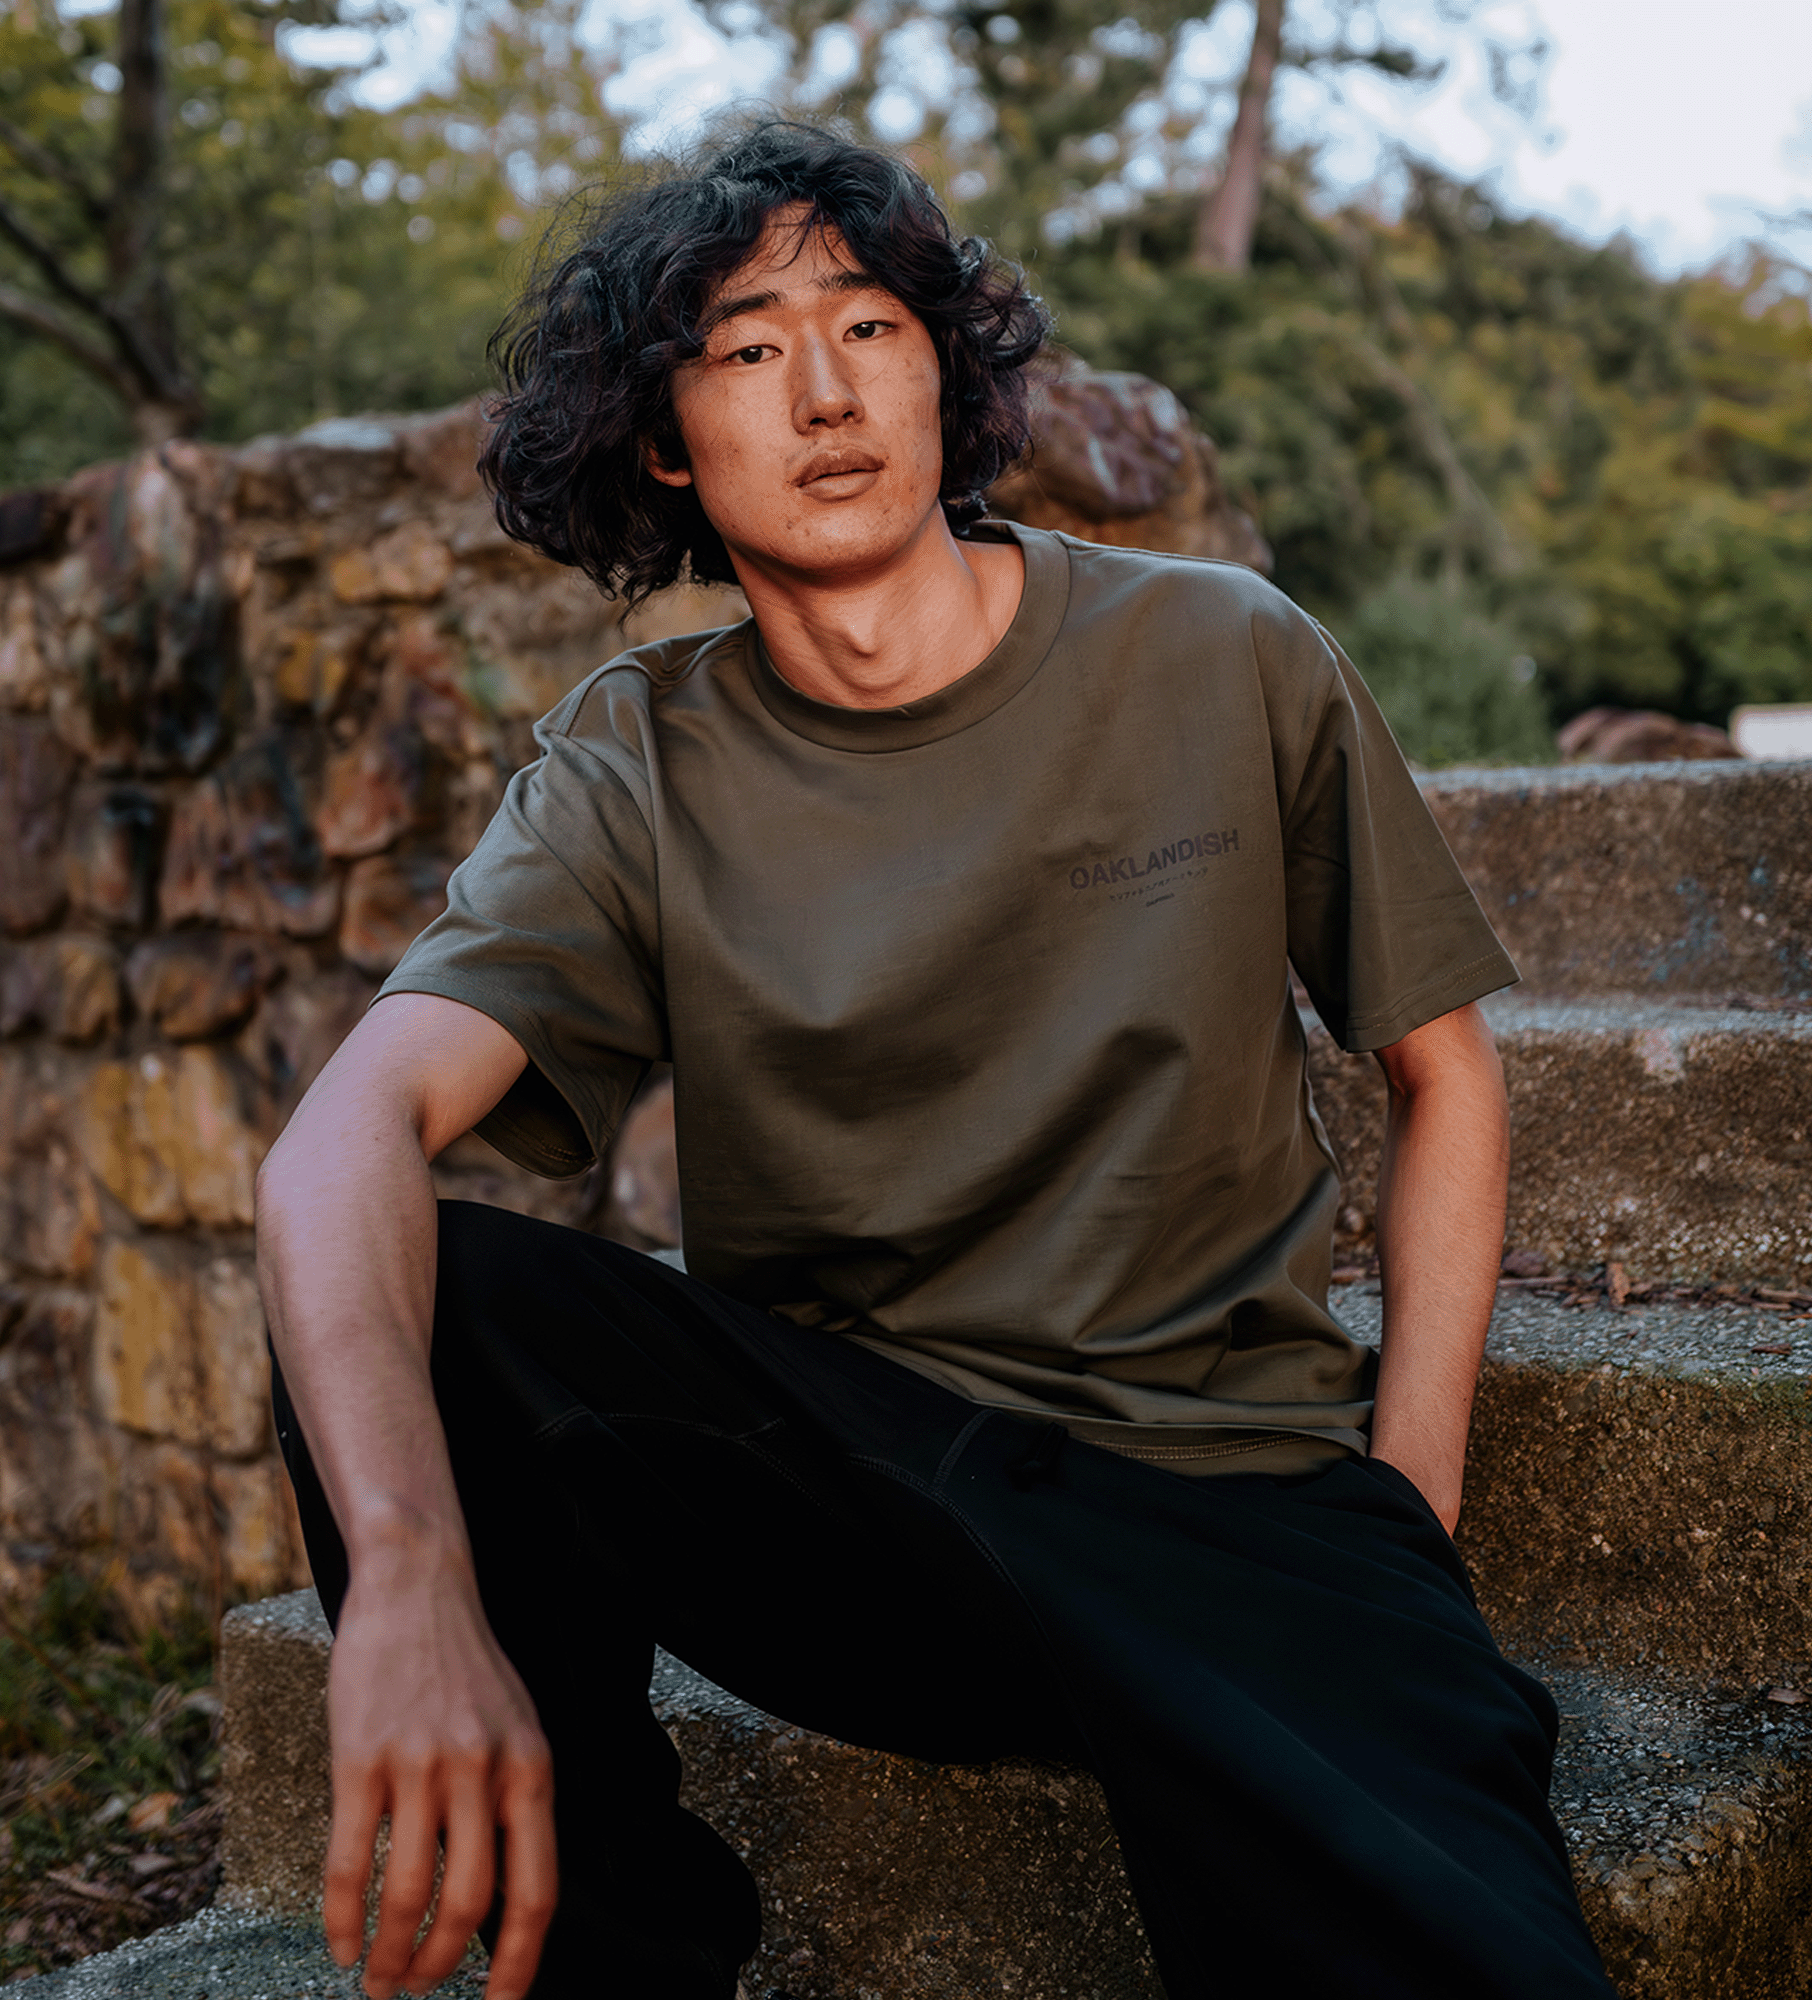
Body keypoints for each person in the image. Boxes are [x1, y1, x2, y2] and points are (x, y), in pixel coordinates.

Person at [256, 120, 1619, 2000]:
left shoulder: (1223, 656)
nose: (822, 392)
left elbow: (1441, 1071)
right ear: (666, 440)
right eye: (746, 349)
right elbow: (348, 1136)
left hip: (1225, 1503)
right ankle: (610, 1959)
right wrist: (405, 1573)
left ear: (944, 369)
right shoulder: (639, 758)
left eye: (871, 326)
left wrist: (1411, 1496)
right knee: (445, 1296)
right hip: (876, 1509)